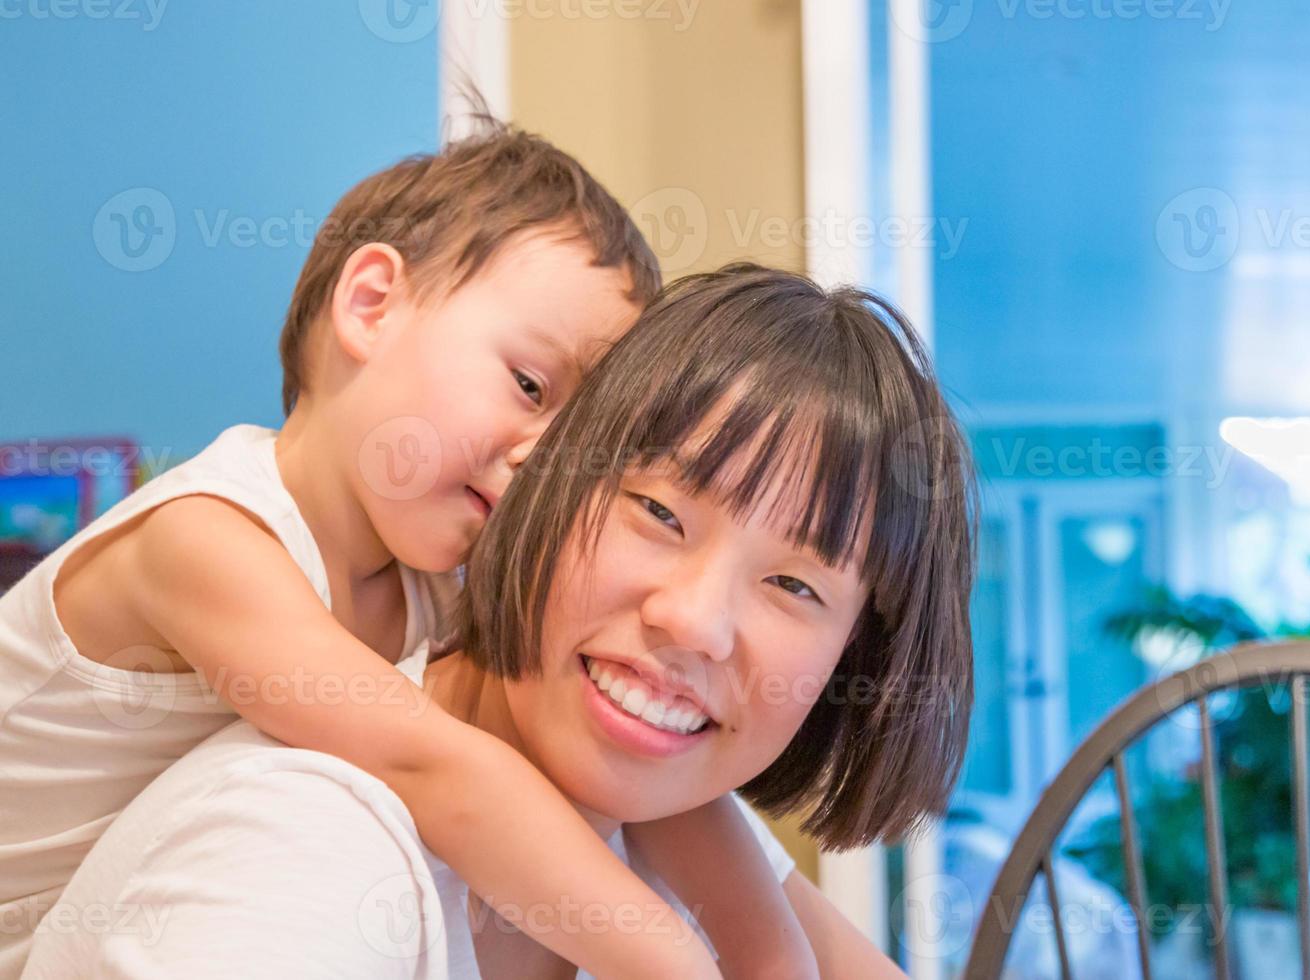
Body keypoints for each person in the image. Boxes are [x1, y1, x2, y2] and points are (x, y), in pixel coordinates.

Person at [0, 117, 815, 979]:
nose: (547, 458)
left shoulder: (433, 577)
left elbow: (648, 780)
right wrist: (674, 963)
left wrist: (776, 958)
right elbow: (433, 767)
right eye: (530, 385)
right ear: (371, 304)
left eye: (579, 437)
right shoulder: (205, 540)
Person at [23, 264, 980, 978]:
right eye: (657, 512)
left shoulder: (651, 804)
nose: (693, 621)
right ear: (541, 497)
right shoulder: (308, 840)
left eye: (796, 586)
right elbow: (433, 767)